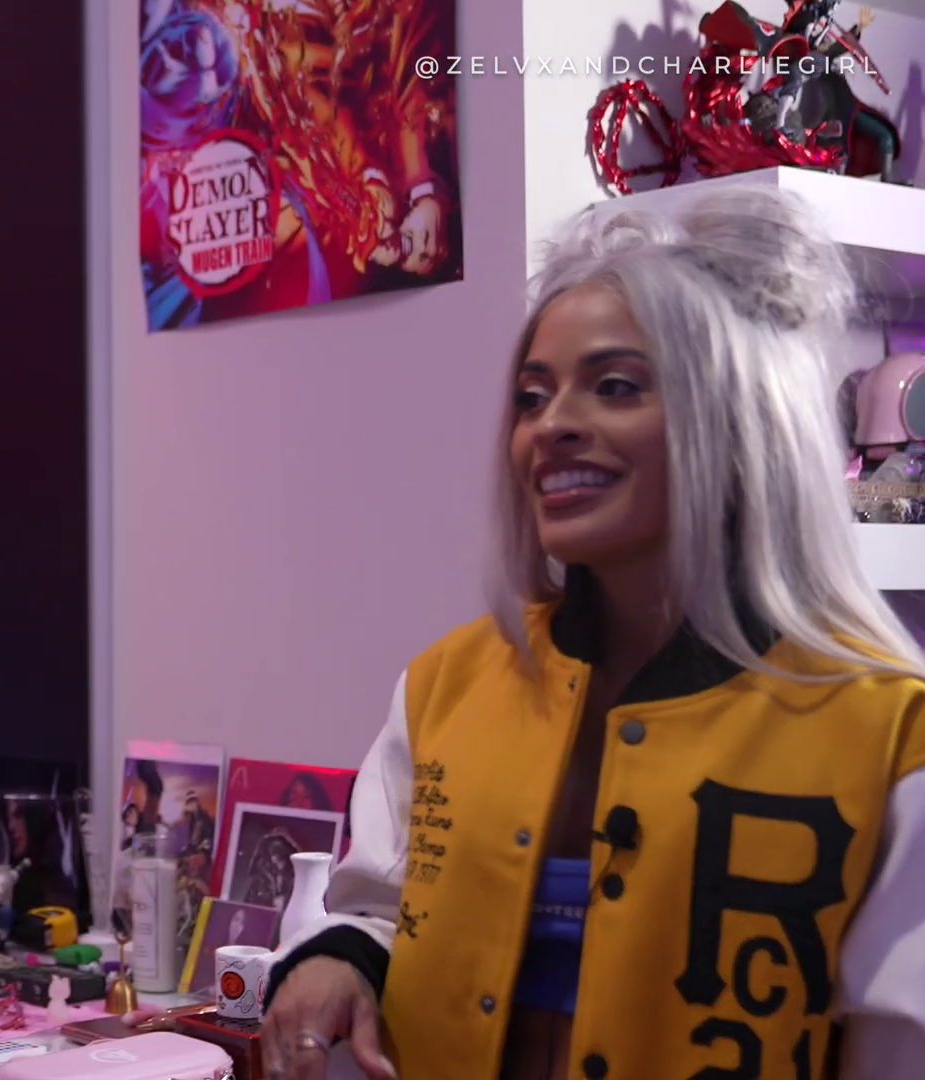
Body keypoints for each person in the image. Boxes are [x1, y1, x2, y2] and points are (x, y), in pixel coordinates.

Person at [258, 189, 925, 1079]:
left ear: (741, 424)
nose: (553, 426)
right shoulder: (445, 685)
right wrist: (336, 961)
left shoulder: (889, 734)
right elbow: (380, 907)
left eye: (615, 386)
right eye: (532, 397)